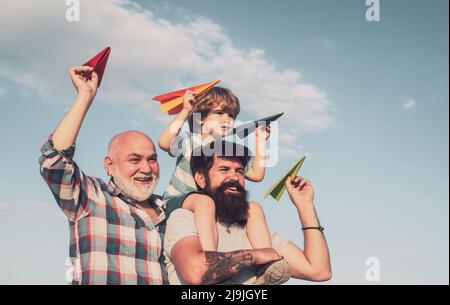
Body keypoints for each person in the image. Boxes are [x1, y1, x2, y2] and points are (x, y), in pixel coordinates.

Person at [39, 66, 166, 284]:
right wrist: (85, 96)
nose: (146, 168)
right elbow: (54, 160)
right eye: (134, 160)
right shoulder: (89, 197)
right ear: (109, 165)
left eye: (152, 159)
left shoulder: (168, 210)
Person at [164, 141, 332, 285]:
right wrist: (258, 256)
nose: (234, 177)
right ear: (201, 179)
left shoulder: (255, 230)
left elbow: (319, 271)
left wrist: (305, 205)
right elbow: (195, 271)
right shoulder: (184, 218)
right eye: (224, 169)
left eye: (239, 171)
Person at [158, 87, 275, 262]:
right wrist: (185, 110)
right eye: (219, 113)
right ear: (202, 118)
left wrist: (260, 141)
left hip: (210, 207)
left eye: (231, 116)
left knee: (253, 209)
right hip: (179, 201)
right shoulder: (191, 141)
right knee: (204, 202)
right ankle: (211, 260)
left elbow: (257, 174)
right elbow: (164, 142)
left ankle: (268, 261)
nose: (227, 120)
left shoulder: (227, 151)